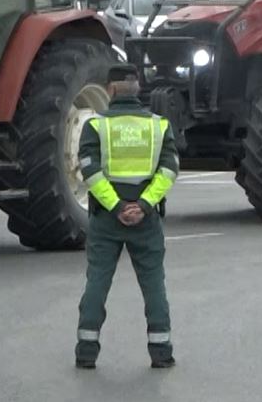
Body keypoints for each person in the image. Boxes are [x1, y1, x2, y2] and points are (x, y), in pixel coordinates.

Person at [75, 64, 179, 370]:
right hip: (146, 221)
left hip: (107, 220)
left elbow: (90, 172)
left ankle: (86, 352)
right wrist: (143, 205)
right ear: (138, 90)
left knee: (97, 283)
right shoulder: (159, 126)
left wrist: (117, 207)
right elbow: (170, 169)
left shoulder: (96, 127)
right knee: (153, 286)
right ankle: (161, 353)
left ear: (110, 90)